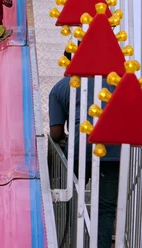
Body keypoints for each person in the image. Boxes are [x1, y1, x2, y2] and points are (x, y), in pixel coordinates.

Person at [49, 75, 120, 248]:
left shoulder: (61, 87)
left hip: (78, 149)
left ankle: (71, 242)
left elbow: (56, 133)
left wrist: (65, 138)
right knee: (106, 208)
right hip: (113, 151)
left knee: (71, 201)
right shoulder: (117, 83)